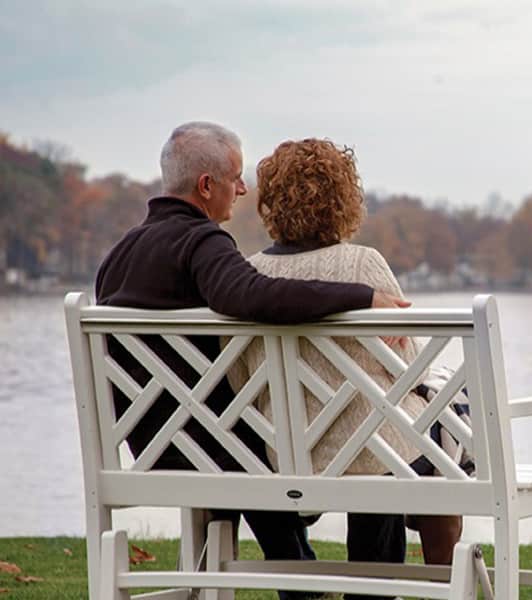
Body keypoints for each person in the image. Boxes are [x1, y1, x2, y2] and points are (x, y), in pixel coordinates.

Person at [94, 122, 410, 600]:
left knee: (258, 429)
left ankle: (300, 580)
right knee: (271, 435)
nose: (242, 190)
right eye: (236, 178)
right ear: (206, 186)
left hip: (147, 447)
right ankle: (303, 581)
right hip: (212, 447)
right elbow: (248, 293)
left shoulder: (118, 255)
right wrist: (362, 296)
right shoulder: (201, 242)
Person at [226, 138, 462, 576]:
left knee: (385, 430)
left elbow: (240, 382)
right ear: (344, 200)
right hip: (378, 456)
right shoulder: (363, 267)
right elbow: (410, 370)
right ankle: (439, 582)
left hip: (287, 454)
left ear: (271, 203)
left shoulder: (249, 274)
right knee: (432, 420)